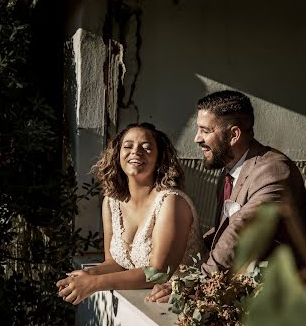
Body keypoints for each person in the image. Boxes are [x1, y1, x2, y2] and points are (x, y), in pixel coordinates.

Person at [148, 90, 306, 301]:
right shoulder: (229, 171)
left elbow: (240, 232)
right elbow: (224, 230)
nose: (197, 139)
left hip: (295, 304)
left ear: (234, 135)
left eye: (205, 130)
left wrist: (194, 283)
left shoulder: (274, 170)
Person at [57, 123, 204, 305]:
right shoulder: (111, 202)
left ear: (160, 158)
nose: (136, 151)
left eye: (147, 147)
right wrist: (88, 274)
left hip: (183, 303)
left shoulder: (171, 201)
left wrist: (94, 283)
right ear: (117, 155)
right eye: (128, 146)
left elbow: (157, 272)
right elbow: (115, 263)